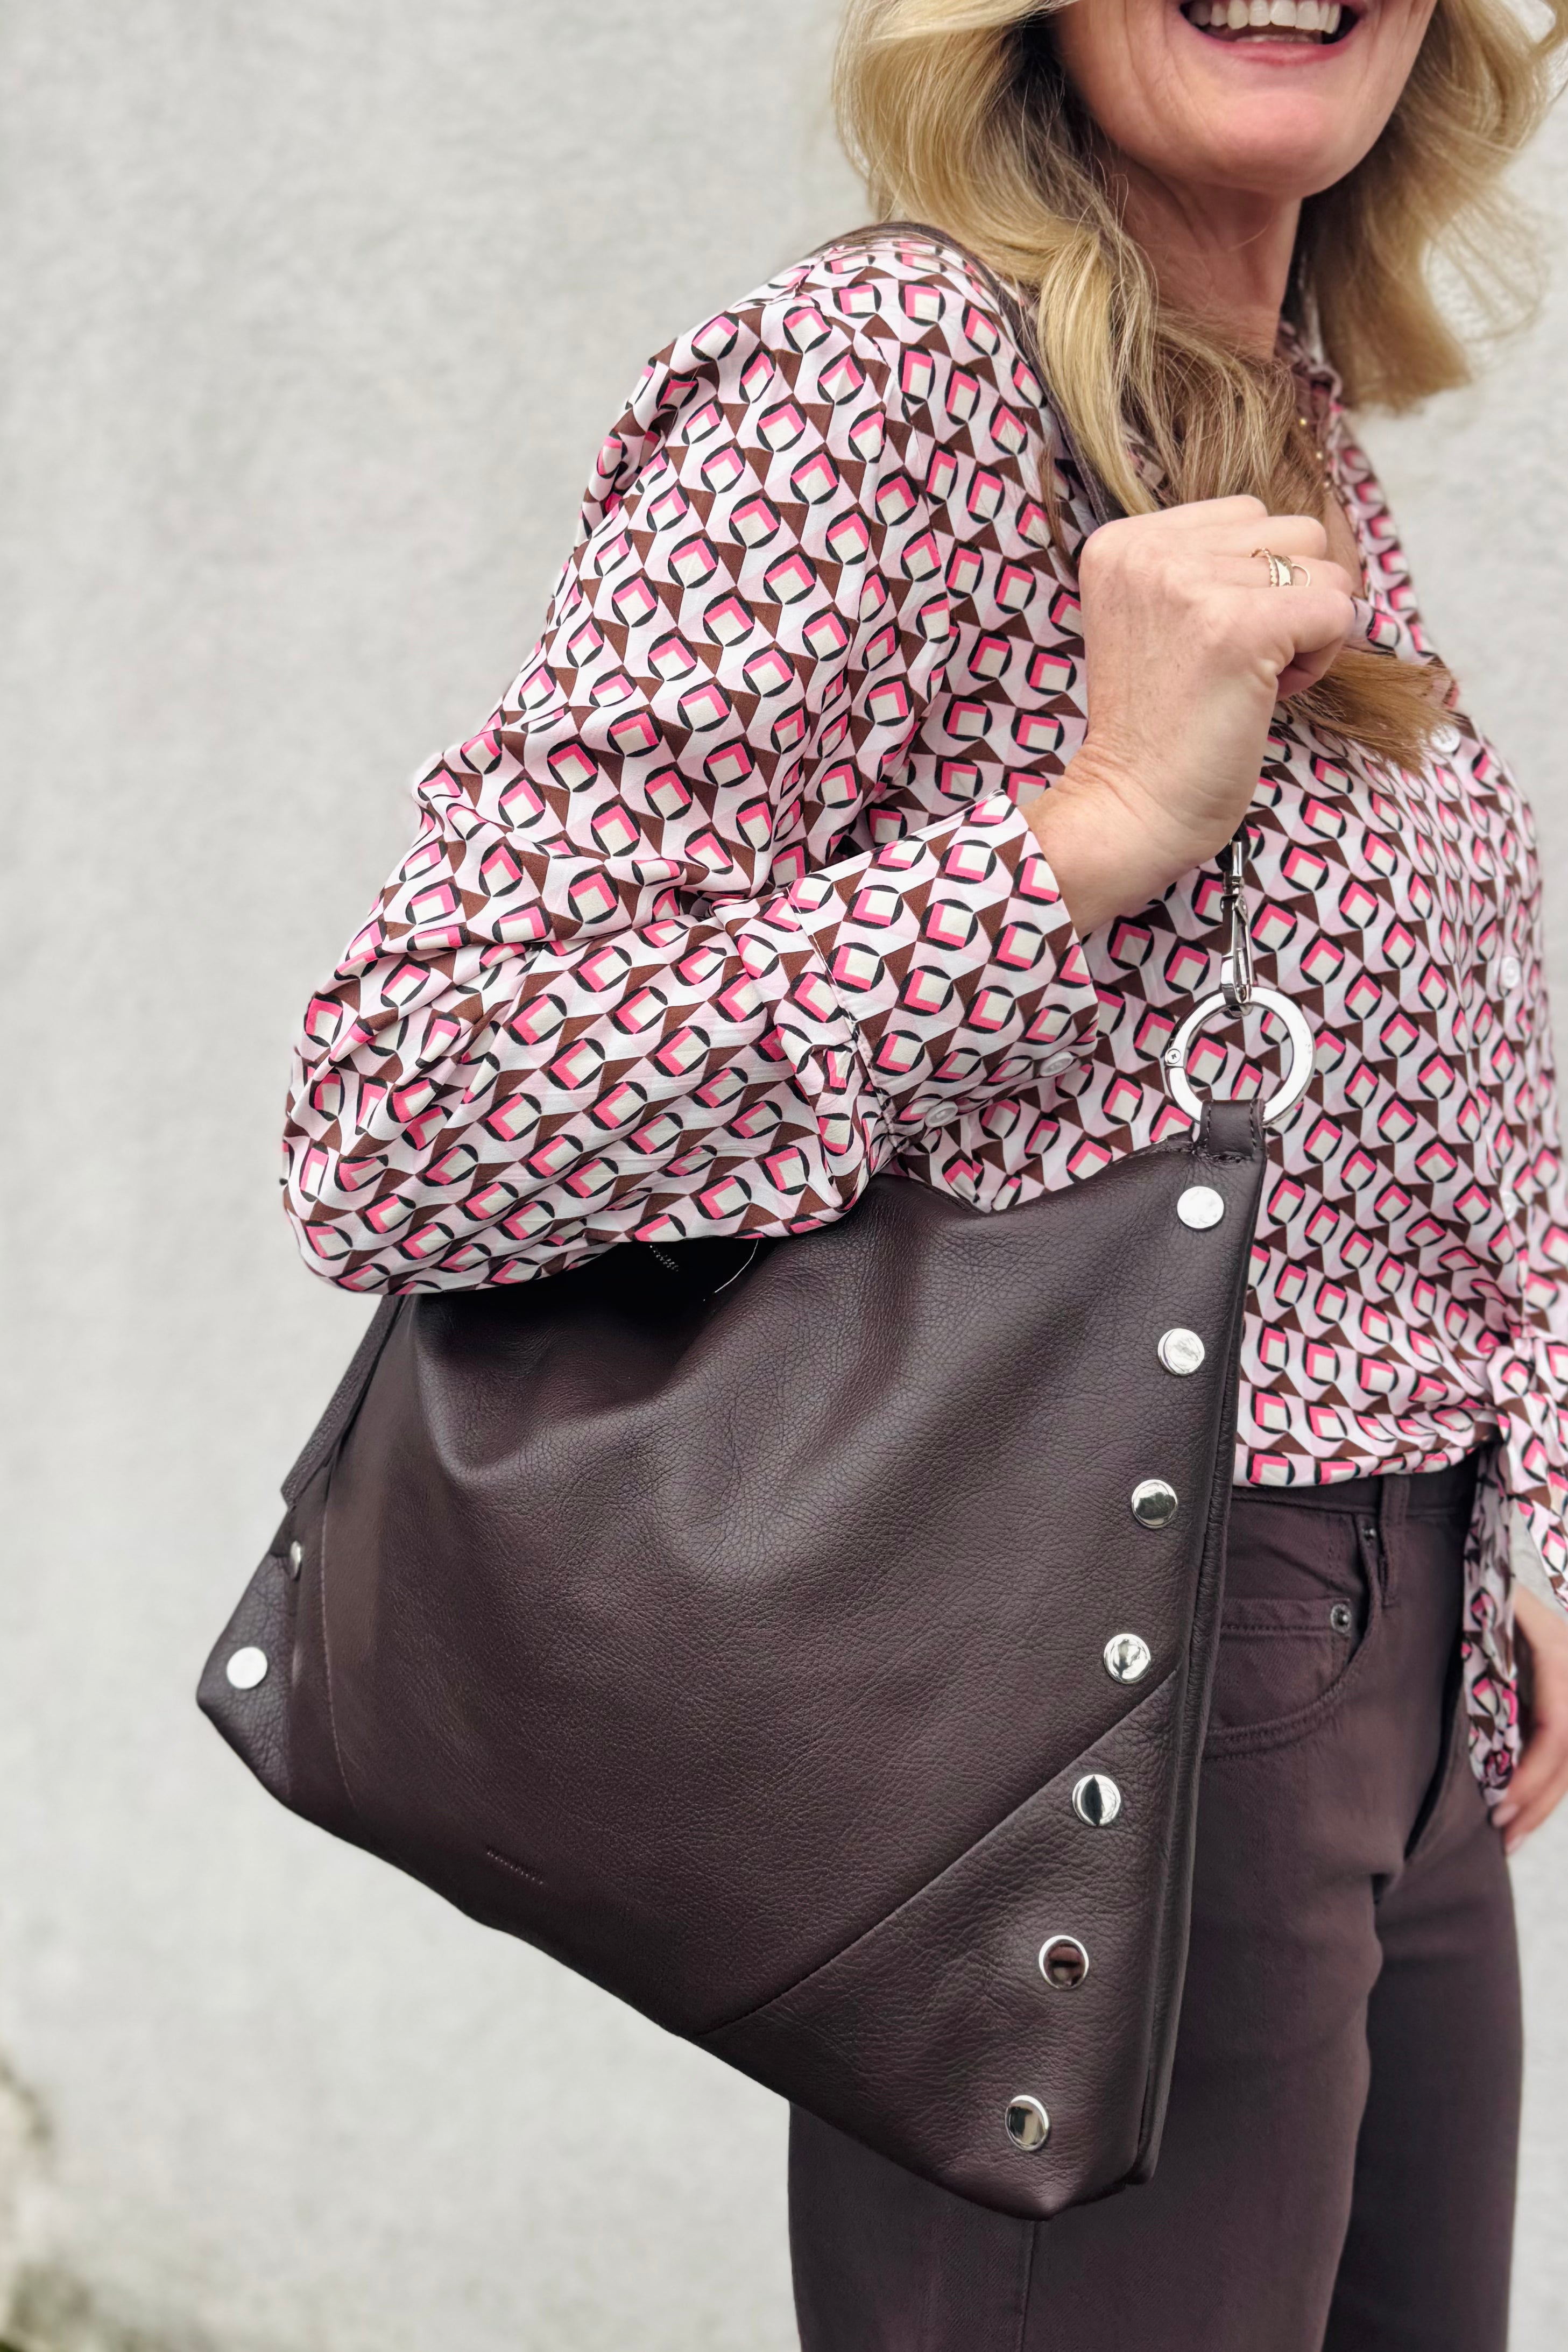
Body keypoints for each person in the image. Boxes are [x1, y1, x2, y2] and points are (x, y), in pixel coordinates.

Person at [280, 0, 1568, 2341]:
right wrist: (1080, 839)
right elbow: (414, 1099)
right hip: (1096, 1684)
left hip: (1396, 1688)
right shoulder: (885, 377)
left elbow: (1387, 1076)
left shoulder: (1273, 402)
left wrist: (1516, 1502)